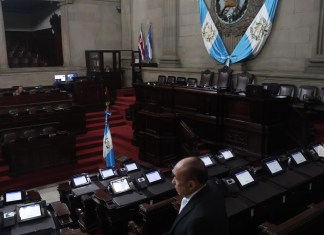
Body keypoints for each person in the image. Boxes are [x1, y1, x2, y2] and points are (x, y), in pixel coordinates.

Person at [167, 156, 229, 235]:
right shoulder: (212, 186)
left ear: (191, 185)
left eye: (176, 178)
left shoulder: (197, 222)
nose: (172, 182)